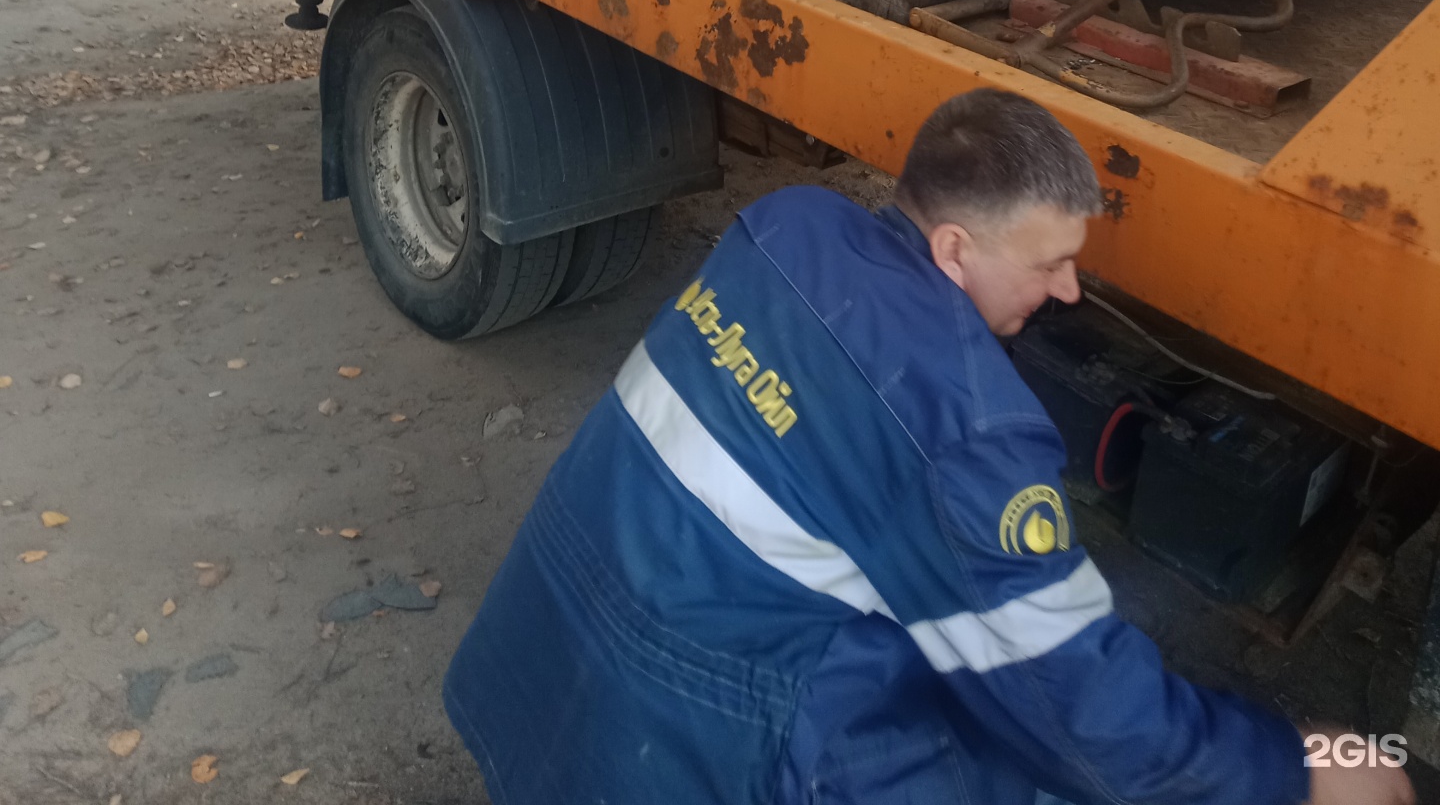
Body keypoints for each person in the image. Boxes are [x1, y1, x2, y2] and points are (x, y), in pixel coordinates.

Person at [444, 88, 1415, 805]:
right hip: (690, 741)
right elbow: (1093, 731)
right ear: (954, 250)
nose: (1071, 293)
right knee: (1011, 764)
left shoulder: (787, 223)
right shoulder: (967, 429)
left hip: (549, 639)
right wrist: (1301, 769)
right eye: (1051, 263)